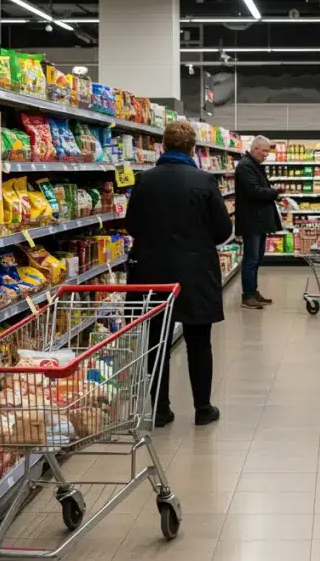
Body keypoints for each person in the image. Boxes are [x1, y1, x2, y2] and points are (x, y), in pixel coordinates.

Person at [125, 120, 233, 427]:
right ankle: (203, 408)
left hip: (151, 271)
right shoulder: (204, 181)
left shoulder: (145, 180)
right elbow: (223, 229)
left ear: (162, 146)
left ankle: (160, 410)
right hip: (195, 271)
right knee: (199, 339)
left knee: (156, 341)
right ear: (193, 148)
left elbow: (131, 225)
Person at [235, 135, 282, 310]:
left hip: (259, 220)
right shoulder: (245, 167)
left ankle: (253, 292)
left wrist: (272, 193)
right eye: (264, 151)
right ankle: (247, 296)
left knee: (257, 258)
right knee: (251, 259)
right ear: (255, 149)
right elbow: (254, 191)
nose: (266, 155)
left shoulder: (254, 165)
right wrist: (274, 192)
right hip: (251, 221)